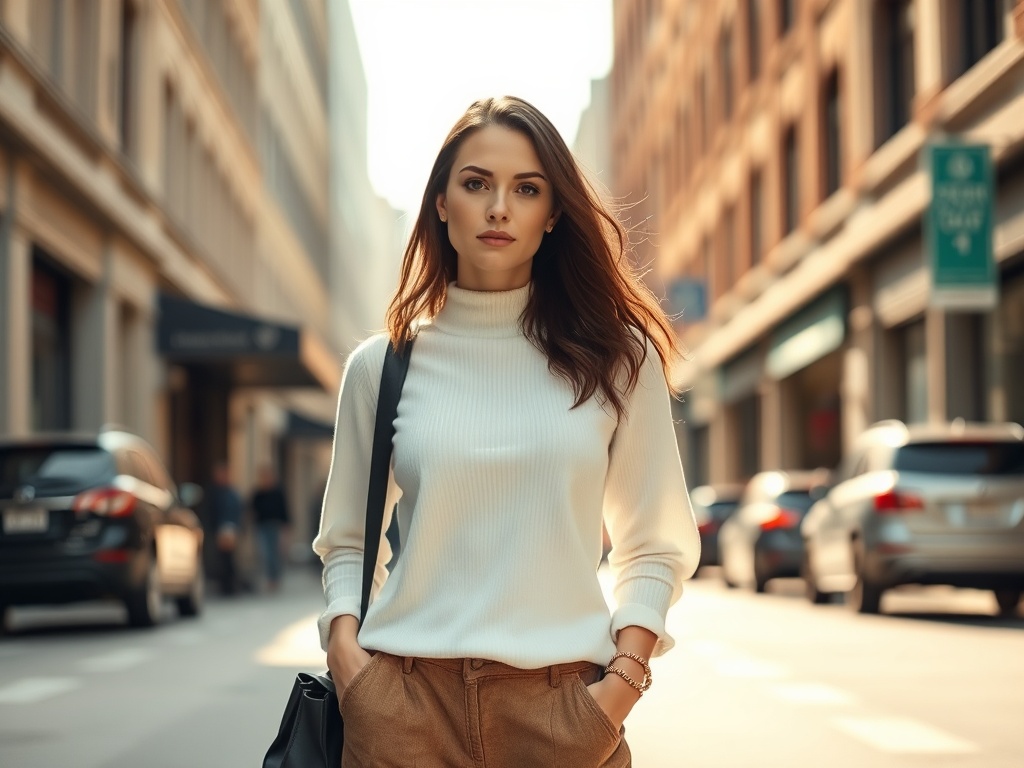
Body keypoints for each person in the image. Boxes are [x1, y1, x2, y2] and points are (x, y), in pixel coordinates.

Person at [313, 96, 700, 767]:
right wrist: (351, 664)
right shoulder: (382, 366)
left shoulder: (616, 360)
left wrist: (618, 688)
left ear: (553, 214)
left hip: (562, 714)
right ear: (440, 202)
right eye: (475, 184)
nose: (499, 208)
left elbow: (657, 544)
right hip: (404, 709)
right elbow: (348, 542)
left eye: (526, 189)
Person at [251, 464, 291, 592]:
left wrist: (286, 527)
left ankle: (275, 578)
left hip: (275, 526)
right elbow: (252, 510)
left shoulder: (277, 493)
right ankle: (270, 578)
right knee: (265, 553)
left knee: (274, 554)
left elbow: (284, 510)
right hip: (262, 526)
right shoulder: (258, 494)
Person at [209, 462, 242, 596]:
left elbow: (237, 511)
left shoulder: (231, 493)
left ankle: (231, 585)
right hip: (220, 528)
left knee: (229, 558)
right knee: (222, 558)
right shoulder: (215, 493)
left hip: (230, 528)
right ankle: (224, 585)